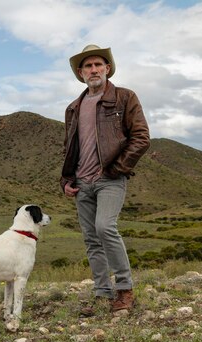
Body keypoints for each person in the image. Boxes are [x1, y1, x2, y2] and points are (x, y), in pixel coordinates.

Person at [60, 44, 150, 316]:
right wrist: (66, 179)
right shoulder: (73, 108)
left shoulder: (124, 97)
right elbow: (69, 146)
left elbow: (141, 138)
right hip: (81, 182)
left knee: (105, 228)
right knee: (91, 238)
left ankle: (125, 290)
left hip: (110, 179)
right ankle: (102, 293)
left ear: (107, 68)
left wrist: (117, 169)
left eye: (98, 64)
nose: (94, 70)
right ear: (80, 72)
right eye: (88, 66)